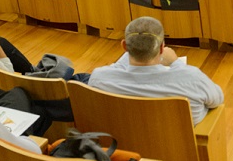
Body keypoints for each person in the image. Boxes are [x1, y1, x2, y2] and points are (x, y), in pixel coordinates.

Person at [81, 17, 224, 125]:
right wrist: (176, 63)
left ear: (124, 46)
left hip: (120, 154)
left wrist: (134, 49)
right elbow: (217, 99)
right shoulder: (192, 78)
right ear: (162, 48)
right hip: (176, 154)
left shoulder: (99, 78)